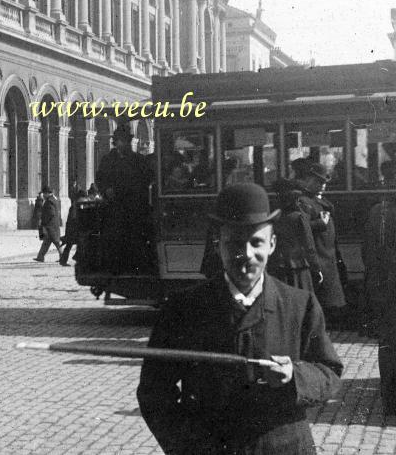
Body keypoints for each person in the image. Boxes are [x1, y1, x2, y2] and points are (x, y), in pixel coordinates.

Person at [137, 183, 343, 455]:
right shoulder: (183, 309)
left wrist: (294, 376)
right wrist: (187, 446)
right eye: (234, 242)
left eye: (256, 242)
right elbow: (154, 392)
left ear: (272, 244)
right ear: (218, 245)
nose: (246, 254)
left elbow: (329, 372)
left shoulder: (299, 304)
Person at [95, 125, 154, 274]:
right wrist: (106, 189)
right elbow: (100, 179)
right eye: (120, 141)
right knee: (113, 238)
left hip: (134, 205)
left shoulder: (138, 160)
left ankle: (136, 267)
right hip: (114, 206)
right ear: (115, 142)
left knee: (135, 237)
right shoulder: (107, 160)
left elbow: (147, 179)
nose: (123, 144)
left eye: (126, 141)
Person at [293, 161, 346, 326]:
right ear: (308, 180)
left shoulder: (315, 200)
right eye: (318, 182)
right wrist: (319, 224)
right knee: (320, 303)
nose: (323, 186)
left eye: (324, 182)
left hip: (327, 257)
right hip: (319, 258)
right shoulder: (303, 201)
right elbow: (300, 228)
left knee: (327, 304)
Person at [361, 162, 396, 413]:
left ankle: (391, 401)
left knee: (388, 343)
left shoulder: (378, 212)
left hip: (384, 288)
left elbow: (367, 253)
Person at [267, 178, 321, 293]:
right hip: (298, 269)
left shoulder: (273, 218)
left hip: (277, 268)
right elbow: (309, 246)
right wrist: (316, 268)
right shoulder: (298, 218)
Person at [34, 185, 63, 262]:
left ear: (47, 193)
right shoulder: (53, 199)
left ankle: (63, 256)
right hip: (52, 225)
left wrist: (44, 222)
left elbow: (51, 213)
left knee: (56, 242)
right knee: (47, 242)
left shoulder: (49, 201)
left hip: (50, 226)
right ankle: (40, 257)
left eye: (44, 193)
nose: (43, 195)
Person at [60, 190, 87, 266]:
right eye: (84, 198)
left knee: (70, 245)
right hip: (73, 229)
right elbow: (73, 218)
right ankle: (74, 258)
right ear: (80, 198)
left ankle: (64, 260)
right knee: (73, 245)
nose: (85, 200)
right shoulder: (75, 206)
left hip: (74, 229)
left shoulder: (78, 205)